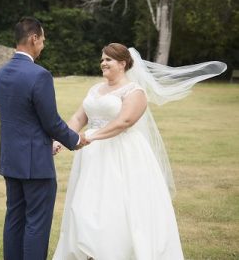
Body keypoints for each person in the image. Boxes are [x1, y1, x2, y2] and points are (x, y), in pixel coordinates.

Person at [52, 43, 227, 260]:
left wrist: (90, 137)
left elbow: (124, 121)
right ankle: (88, 251)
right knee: (85, 204)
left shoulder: (135, 91)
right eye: (102, 59)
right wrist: (62, 139)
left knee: (117, 205)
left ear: (123, 64)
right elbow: (79, 118)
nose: (103, 63)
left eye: (108, 59)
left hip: (122, 155)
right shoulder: (95, 89)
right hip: (91, 156)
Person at [0, 17, 87, 260]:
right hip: (36, 163)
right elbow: (51, 122)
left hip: (10, 159)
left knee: (14, 217)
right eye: (43, 40)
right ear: (33, 38)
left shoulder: (2, 73)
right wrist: (75, 139)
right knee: (37, 222)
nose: (43, 45)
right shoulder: (40, 75)